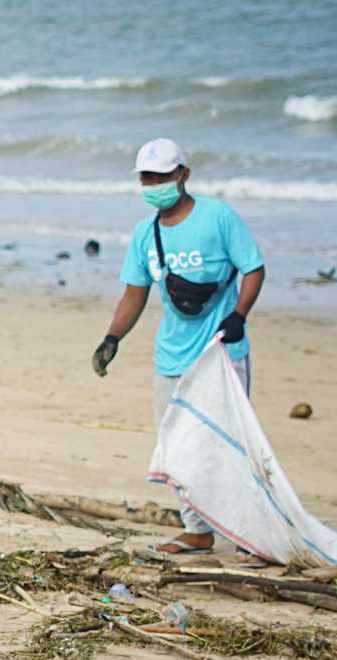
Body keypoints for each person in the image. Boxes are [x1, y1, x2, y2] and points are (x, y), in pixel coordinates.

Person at [93, 137, 265, 557]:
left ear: (183, 175)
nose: (154, 184)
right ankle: (197, 530)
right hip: (171, 358)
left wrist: (238, 315)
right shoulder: (145, 235)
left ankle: (251, 531)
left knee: (229, 444)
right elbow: (134, 294)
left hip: (222, 354)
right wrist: (112, 337)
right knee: (177, 446)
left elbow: (253, 267)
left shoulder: (218, 217)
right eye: (147, 177)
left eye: (162, 176)